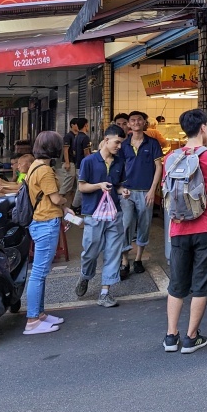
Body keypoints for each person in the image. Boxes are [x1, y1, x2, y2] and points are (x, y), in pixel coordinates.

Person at [163, 109, 207, 354]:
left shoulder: (171, 157)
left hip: (178, 229)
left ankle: (171, 337)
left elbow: (167, 195)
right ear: (203, 128)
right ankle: (190, 338)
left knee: (177, 284)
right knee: (201, 284)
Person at [75, 124, 130, 308]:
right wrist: (99, 185)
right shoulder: (89, 161)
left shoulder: (119, 162)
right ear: (106, 140)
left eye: (121, 144)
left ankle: (105, 292)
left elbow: (118, 186)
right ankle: (85, 275)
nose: (119, 147)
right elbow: (82, 187)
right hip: (93, 213)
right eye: (117, 142)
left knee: (113, 252)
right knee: (90, 251)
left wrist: (124, 191)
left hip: (114, 213)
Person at [24, 131, 70, 335]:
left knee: (39, 272)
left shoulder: (35, 165)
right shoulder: (46, 171)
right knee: (39, 273)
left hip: (39, 220)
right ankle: (33, 320)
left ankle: (40, 314)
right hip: (46, 222)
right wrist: (66, 203)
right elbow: (55, 198)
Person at [120, 111, 164, 278]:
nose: (136, 122)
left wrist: (153, 190)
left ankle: (138, 259)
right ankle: (125, 260)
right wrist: (119, 188)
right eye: (133, 120)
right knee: (125, 225)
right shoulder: (124, 145)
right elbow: (120, 167)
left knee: (144, 225)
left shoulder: (152, 143)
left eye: (139, 120)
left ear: (144, 123)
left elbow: (158, 167)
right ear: (129, 124)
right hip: (127, 191)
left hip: (146, 191)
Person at [58, 118, 79, 204]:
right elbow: (65, 150)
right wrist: (67, 162)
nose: (78, 126)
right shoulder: (68, 136)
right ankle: (59, 198)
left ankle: (71, 205)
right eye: (77, 124)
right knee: (68, 183)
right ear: (72, 125)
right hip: (69, 162)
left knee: (73, 186)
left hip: (74, 162)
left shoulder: (77, 136)